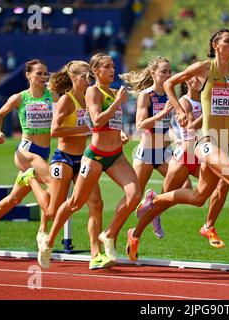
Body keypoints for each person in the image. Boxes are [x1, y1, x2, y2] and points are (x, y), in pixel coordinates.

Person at [126, 29, 229, 265]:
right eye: (227, 41)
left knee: (197, 197)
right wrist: (181, 111)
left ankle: (141, 224)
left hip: (225, 143)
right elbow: (171, 83)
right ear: (215, 45)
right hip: (206, 142)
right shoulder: (204, 68)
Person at [37, 53, 141, 269]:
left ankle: (108, 236)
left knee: (134, 195)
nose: (112, 70)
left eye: (113, 66)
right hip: (93, 156)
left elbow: (111, 122)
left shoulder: (113, 92)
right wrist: (116, 105)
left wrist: (121, 132)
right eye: (106, 67)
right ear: (96, 71)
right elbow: (96, 121)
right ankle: (48, 240)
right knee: (74, 203)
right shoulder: (93, 92)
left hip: (116, 156)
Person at [0, 59, 57, 248]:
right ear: (28, 75)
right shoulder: (20, 97)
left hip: (43, 152)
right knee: (52, 184)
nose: (43, 76)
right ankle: (42, 231)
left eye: (45, 73)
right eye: (38, 73)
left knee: (15, 198)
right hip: (26, 151)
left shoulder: (52, 96)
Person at [45, 60, 109, 269]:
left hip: (84, 158)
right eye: (83, 76)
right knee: (54, 208)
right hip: (63, 158)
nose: (87, 80)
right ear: (73, 78)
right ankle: (47, 240)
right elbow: (54, 131)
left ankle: (95, 253)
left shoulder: (91, 98)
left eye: (89, 76)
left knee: (96, 204)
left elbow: (98, 123)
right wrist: (81, 131)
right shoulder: (66, 100)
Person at [164, 78, 229, 248]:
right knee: (164, 199)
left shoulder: (205, 100)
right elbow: (191, 126)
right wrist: (209, 111)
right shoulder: (184, 102)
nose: (199, 79)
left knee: (223, 182)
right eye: (194, 77)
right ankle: (138, 228)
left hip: (203, 154)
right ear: (186, 83)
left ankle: (208, 226)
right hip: (186, 155)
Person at [119, 56, 177, 239]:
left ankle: (154, 208)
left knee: (184, 187)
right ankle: (110, 234)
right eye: (164, 71)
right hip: (147, 153)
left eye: (170, 71)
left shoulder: (171, 93)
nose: (168, 75)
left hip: (165, 151)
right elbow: (140, 124)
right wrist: (163, 113)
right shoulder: (146, 95)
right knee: (133, 197)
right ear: (153, 73)